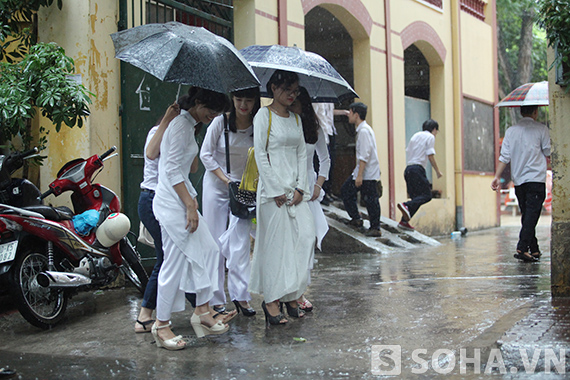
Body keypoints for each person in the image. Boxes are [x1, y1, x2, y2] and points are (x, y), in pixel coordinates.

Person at [152, 87, 231, 350]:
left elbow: (189, 167)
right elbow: (171, 169)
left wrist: (190, 200)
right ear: (197, 102)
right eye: (211, 109)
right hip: (172, 205)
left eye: (218, 112)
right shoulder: (179, 126)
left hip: (184, 200)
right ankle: (161, 325)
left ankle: (202, 310)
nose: (214, 115)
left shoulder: (189, 126)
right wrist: (188, 204)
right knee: (173, 263)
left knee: (209, 249)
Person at [249, 70, 315, 325]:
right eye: (287, 89)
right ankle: (272, 301)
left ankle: (291, 293)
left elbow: (301, 155)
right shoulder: (262, 116)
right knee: (276, 248)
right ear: (274, 88)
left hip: (295, 193)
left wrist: (301, 188)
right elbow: (260, 155)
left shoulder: (296, 119)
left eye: (295, 91)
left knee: (305, 239)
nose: (292, 95)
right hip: (271, 194)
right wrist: (276, 189)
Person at [200, 87, 261, 317]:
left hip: (245, 189)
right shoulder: (220, 122)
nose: (243, 105)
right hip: (217, 185)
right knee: (215, 242)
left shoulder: (259, 125)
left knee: (241, 244)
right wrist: (226, 181)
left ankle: (242, 297)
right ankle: (215, 299)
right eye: (238, 99)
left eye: (248, 100)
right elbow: (205, 154)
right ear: (232, 99)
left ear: (255, 101)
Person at [288, 87, 330, 312]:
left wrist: (318, 185)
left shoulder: (315, 129)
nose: (292, 105)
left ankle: (300, 291)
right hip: (288, 191)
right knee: (291, 243)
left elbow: (325, 160)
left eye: (296, 102)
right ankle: (290, 293)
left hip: (308, 193)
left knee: (306, 242)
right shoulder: (283, 125)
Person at [491, 105, 550, 262]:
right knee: (531, 215)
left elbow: (505, 157)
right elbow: (548, 151)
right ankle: (522, 247)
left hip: (519, 181)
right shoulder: (541, 129)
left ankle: (534, 249)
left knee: (527, 214)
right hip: (536, 179)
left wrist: (497, 176)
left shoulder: (511, 131)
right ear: (536, 112)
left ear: (522, 112)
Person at [340, 102, 382, 237]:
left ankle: (375, 227)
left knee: (370, 199)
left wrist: (359, 176)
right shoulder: (364, 129)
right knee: (350, 192)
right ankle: (357, 219)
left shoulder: (364, 131)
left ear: (356, 115)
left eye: (350, 113)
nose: (349, 115)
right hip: (366, 171)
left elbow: (364, 155)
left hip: (367, 172)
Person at [397, 119, 443, 231]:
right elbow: (430, 155)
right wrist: (437, 171)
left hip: (408, 169)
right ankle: (406, 205)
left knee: (416, 198)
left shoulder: (415, 135)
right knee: (427, 196)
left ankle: (404, 221)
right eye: (437, 131)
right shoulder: (430, 137)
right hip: (418, 169)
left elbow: (409, 151)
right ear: (434, 129)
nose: (436, 134)